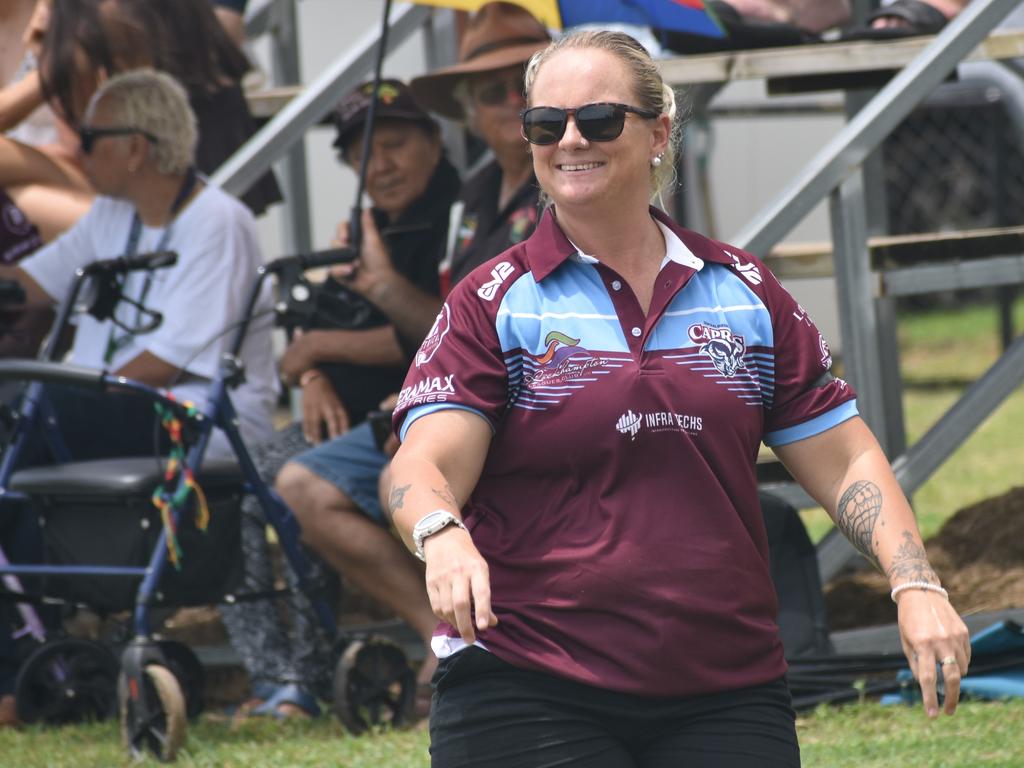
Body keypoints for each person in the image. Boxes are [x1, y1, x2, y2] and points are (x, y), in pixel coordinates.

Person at [386, 30, 972, 767]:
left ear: (659, 132)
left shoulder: (743, 291)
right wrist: (442, 534)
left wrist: (914, 583)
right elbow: (421, 462)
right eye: (546, 125)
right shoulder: (495, 301)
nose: (569, 140)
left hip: (727, 686)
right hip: (527, 684)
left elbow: (844, 453)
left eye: (598, 120)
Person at [272, 2, 552, 710]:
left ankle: (472, 645)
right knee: (298, 482)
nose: (509, 104)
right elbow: (445, 325)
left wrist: (433, 399)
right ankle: (445, 640)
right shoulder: (477, 193)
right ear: (469, 110)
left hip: (522, 408)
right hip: (440, 407)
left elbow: (537, 334)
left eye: (522, 83)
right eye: (489, 93)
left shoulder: (564, 188)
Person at [0, 68, 277, 725]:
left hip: (184, 416)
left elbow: (162, 365)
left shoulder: (220, 222)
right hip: (102, 407)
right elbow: (27, 287)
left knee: (18, 416)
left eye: (91, 136)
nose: (79, 148)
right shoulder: (112, 216)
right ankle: (37, 658)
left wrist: (50, 386)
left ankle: (32, 662)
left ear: (137, 146)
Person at [219, 78, 460, 719]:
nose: (377, 165)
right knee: (239, 480)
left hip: (411, 420)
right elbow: (323, 324)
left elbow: (440, 333)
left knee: (278, 479)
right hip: (344, 415)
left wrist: (321, 347)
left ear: (434, 140)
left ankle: (315, 670)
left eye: (396, 143)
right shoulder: (371, 221)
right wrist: (313, 372)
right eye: (360, 154)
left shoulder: (455, 216)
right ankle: (281, 678)